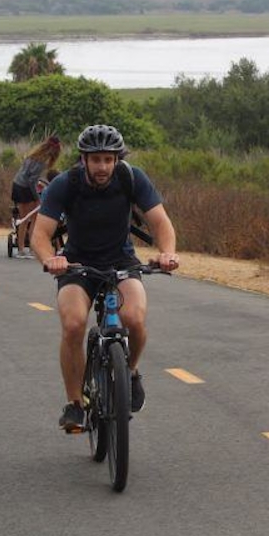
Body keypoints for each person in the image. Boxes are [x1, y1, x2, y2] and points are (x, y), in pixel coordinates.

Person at [31, 124, 180, 432]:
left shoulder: (132, 177)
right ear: (83, 159)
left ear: (117, 160)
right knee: (73, 323)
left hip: (121, 261)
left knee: (134, 319)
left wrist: (167, 253)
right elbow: (40, 235)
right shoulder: (65, 184)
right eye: (95, 159)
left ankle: (131, 372)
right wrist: (51, 259)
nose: (102, 166)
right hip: (76, 264)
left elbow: (161, 222)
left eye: (108, 159)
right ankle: (76, 404)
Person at [11, 136, 62, 258]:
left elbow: (28, 176)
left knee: (25, 219)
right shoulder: (42, 161)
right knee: (30, 219)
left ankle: (23, 249)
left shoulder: (32, 155)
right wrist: (37, 198)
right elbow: (31, 181)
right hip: (25, 188)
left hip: (17, 184)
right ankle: (25, 249)